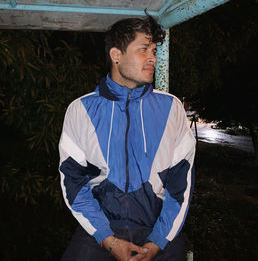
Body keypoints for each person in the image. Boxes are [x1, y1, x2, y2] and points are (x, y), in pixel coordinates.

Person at [58, 15, 196, 261]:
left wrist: (157, 242)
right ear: (116, 55)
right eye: (143, 49)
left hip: (157, 227)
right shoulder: (81, 110)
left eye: (154, 50)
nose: (152, 57)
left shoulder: (172, 109)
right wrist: (108, 240)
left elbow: (180, 186)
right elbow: (74, 183)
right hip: (100, 229)